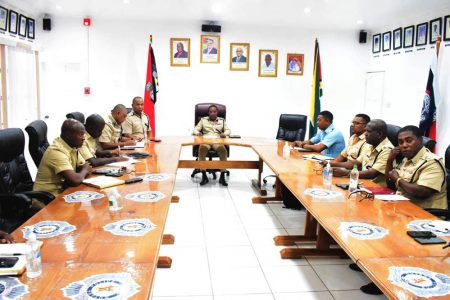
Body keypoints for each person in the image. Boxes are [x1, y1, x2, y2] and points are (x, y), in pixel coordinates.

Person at [386, 125, 447, 210]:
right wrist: (389, 160)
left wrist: (398, 180)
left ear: (420, 140)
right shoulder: (407, 159)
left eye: (409, 141)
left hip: (426, 214)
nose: (404, 145)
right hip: (404, 208)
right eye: (400, 142)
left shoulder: (432, 162)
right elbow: (390, 184)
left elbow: (423, 192)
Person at [33, 119, 92, 198]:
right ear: (68, 136)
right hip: (47, 199)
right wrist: (84, 170)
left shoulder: (72, 146)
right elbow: (75, 180)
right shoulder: (56, 151)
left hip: (64, 192)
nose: (83, 138)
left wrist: (83, 170)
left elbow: (86, 166)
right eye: (80, 135)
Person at [332, 119, 394, 186]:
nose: (365, 134)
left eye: (368, 131)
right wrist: (330, 164)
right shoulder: (370, 145)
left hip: (376, 187)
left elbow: (371, 173)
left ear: (379, 134)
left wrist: (345, 173)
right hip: (362, 182)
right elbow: (354, 163)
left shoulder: (387, 150)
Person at [193, 105, 231, 186]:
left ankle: (222, 176)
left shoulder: (222, 121)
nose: (212, 113)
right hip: (206, 140)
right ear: (208, 113)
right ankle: (204, 176)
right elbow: (195, 129)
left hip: (217, 140)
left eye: (214, 112)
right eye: (211, 112)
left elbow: (228, 130)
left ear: (217, 112)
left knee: (223, 150)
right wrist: (198, 133)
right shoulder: (203, 120)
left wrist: (224, 134)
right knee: (202, 149)